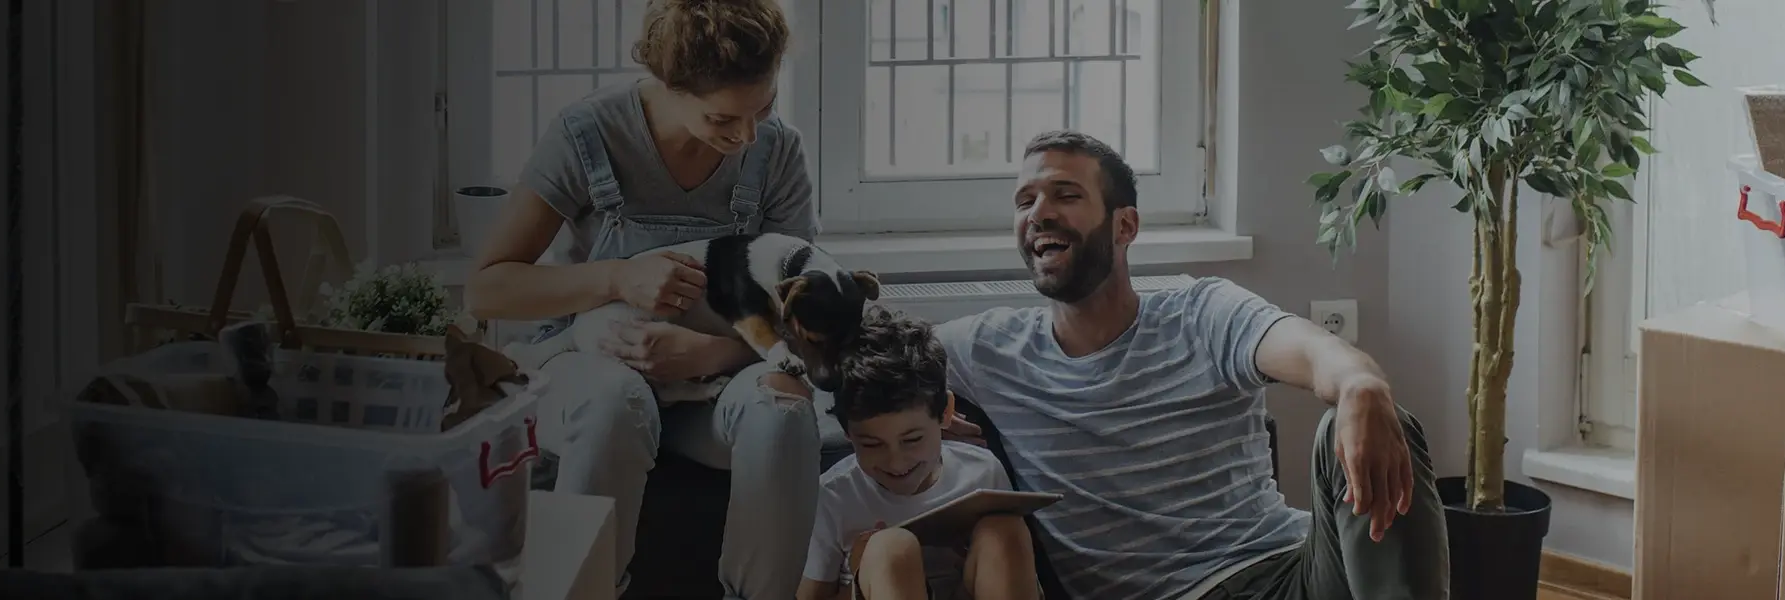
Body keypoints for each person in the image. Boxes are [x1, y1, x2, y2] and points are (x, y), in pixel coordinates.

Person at [931, 131, 1449, 600]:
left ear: (1125, 225)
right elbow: (861, 354)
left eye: (1065, 195)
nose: (1038, 214)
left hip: (1292, 572)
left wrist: (1360, 384)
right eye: (1025, 201)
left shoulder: (1201, 312)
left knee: (1373, 418)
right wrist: (927, 412)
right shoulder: (987, 350)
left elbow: (1313, 352)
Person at [464, 0, 821, 597]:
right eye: (723, 120)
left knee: (783, 415)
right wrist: (616, 278)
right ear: (668, 85)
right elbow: (488, 288)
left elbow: (801, 317)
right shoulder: (589, 132)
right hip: (587, 363)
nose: (748, 136)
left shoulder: (776, 150)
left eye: (763, 107)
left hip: (714, 384)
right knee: (613, 405)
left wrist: (710, 354)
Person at [795, 306, 1041, 600]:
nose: (895, 462)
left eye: (912, 440)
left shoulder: (982, 471)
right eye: (871, 444)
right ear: (848, 433)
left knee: (1004, 530)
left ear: (946, 413)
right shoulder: (833, 497)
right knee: (891, 548)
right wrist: (856, 575)